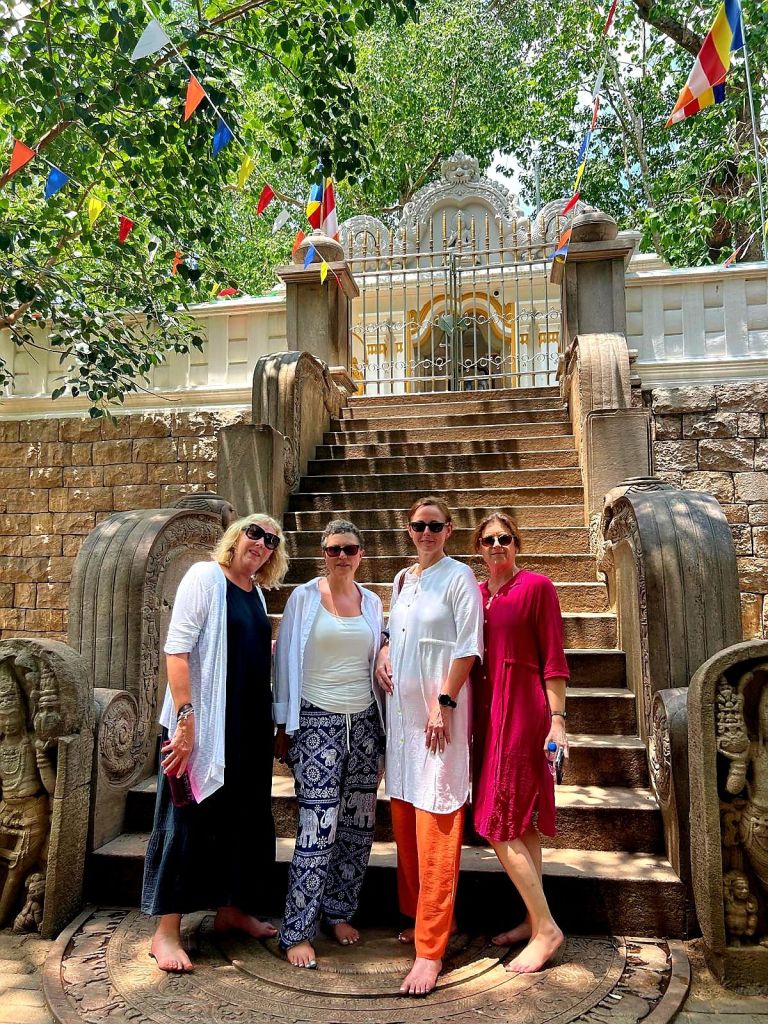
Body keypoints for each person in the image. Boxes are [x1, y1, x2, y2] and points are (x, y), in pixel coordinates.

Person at [141, 512, 288, 972]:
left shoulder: (256, 593)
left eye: (271, 540)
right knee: (188, 820)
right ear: (236, 536)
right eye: (254, 533)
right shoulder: (205, 577)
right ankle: (166, 932)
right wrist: (185, 720)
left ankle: (230, 910)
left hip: (247, 727)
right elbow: (177, 649)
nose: (261, 543)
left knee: (242, 821)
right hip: (203, 724)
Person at [376, 496, 483, 996]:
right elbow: (394, 633)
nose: (426, 532)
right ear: (409, 528)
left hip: (439, 722)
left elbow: (468, 646)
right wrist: (383, 653)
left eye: (435, 525)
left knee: (438, 824)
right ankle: (425, 917)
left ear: (449, 530)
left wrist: (445, 701)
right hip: (401, 725)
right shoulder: (402, 580)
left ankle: (430, 950)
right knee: (406, 824)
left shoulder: (459, 577)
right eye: (419, 525)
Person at [273, 519, 385, 969]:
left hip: (364, 724)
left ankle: (338, 912)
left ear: (361, 555)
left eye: (350, 549)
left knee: (357, 827)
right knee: (317, 827)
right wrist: (283, 724)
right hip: (315, 720)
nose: (342, 556)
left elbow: (381, 650)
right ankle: (297, 930)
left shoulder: (372, 602)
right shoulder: (303, 599)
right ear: (323, 553)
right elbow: (283, 662)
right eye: (334, 549)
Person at [472, 512, 569, 973]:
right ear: (478, 547)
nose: (497, 545)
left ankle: (548, 929)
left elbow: (554, 659)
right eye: (488, 539)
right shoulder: (476, 594)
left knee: (498, 822)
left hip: (523, 712)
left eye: (505, 538)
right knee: (519, 822)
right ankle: (533, 919)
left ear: (517, 544)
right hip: (487, 714)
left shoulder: (537, 587)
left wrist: (558, 721)